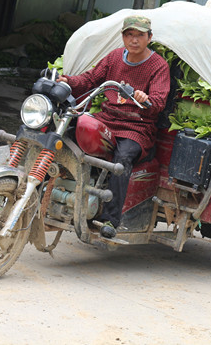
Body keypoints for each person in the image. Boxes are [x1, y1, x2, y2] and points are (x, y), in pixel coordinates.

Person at [57, 15, 170, 238]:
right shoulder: (115, 57)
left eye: (139, 35)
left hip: (137, 126)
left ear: (149, 37)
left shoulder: (159, 66)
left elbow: (158, 102)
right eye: (129, 34)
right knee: (69, 131)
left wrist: (144, 97)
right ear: (123, 37)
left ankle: (110, 219)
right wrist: (67, 81)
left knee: (123, 157)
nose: (134, 40)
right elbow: (90, 80)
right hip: (108, 117)